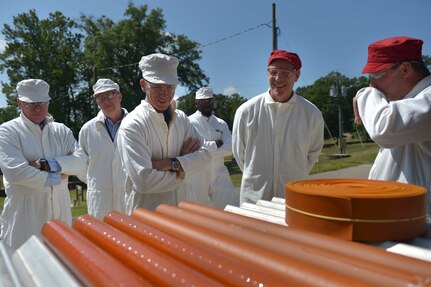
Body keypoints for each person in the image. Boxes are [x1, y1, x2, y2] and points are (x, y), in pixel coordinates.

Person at [116, 53, 211, 213]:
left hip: (184, 212)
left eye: (170, 87)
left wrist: (172, 163)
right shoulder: (133, 124)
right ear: (143, 85)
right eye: (157, 87)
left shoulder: (181, 118)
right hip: (149, 217)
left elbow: (207, 154)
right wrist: (185, 168)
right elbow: (144, 181)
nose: (164, 93)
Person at [0, 79, 86, 249]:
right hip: (25, 215)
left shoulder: (61, 130)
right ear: (19, 102)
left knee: (61, 265)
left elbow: (82, 162)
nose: (38, 108)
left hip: (61, 211)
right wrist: (60, 175)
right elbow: (16, 172)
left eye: (42, 102)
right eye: (30, 104)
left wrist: (46, 164)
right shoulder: (7, 131)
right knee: (24, 268)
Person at [353, 36, 431, 221]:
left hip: (421, 225)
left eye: (377, 75)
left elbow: (383, 129)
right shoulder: (404, 103)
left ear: (405, 69)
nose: (372, 84)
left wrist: (366, 94)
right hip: (400, 217)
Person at [232, 50, 324, 205]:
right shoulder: (247, 111)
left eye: (285, 73)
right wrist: (257, 175)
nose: (278, 79)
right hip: (254, 198)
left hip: (293, 197)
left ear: (297, 75)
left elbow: (312, 153)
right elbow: (239, 153)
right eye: (273, 73)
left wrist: (293, 174)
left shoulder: (311, 113)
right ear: (267, 74)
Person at [78, 79, 128, 220]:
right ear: (97, 102)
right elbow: (81, 163)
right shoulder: (87, 129)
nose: (106, 100)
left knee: (132, 240)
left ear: (120, 96)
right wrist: (96, 181)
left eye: (111, 94)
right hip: (100, 201)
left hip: (129, 196)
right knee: (102, 239)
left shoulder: (136, 125)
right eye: (100, 97)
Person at [188, 87, 238, 208]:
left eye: (209, 101)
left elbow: (230, 147)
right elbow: (190, 147)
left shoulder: (221, 123)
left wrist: (202, 150)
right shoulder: (188, 122)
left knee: (228, 209)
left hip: (219, 173)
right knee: (198, 212)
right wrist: (214, 145)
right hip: (197, 175)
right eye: (203, 101)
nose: (207, 104)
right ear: (196, 103)